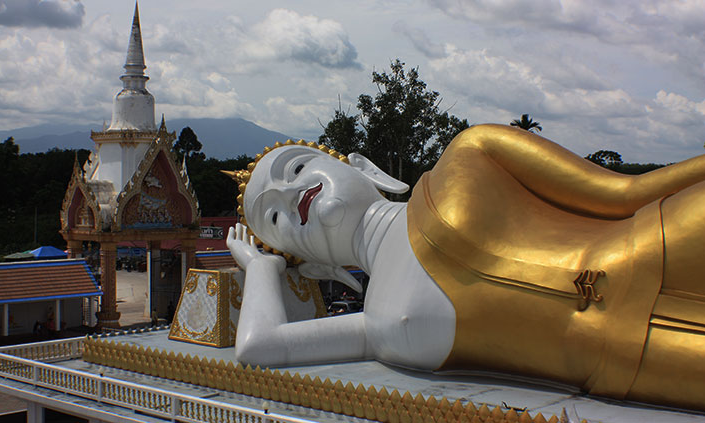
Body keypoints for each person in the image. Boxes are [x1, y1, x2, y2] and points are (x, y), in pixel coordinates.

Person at [226, 124, 705, 411]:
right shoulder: (376, 323)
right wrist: (261, 267)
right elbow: (259, 347)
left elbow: (626, 193)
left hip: (662, 242)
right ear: (311, 268)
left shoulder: (470, 153)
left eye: (295, 169)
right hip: (637, 360)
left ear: (364, 167)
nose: (292, 197)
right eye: (275, 219)